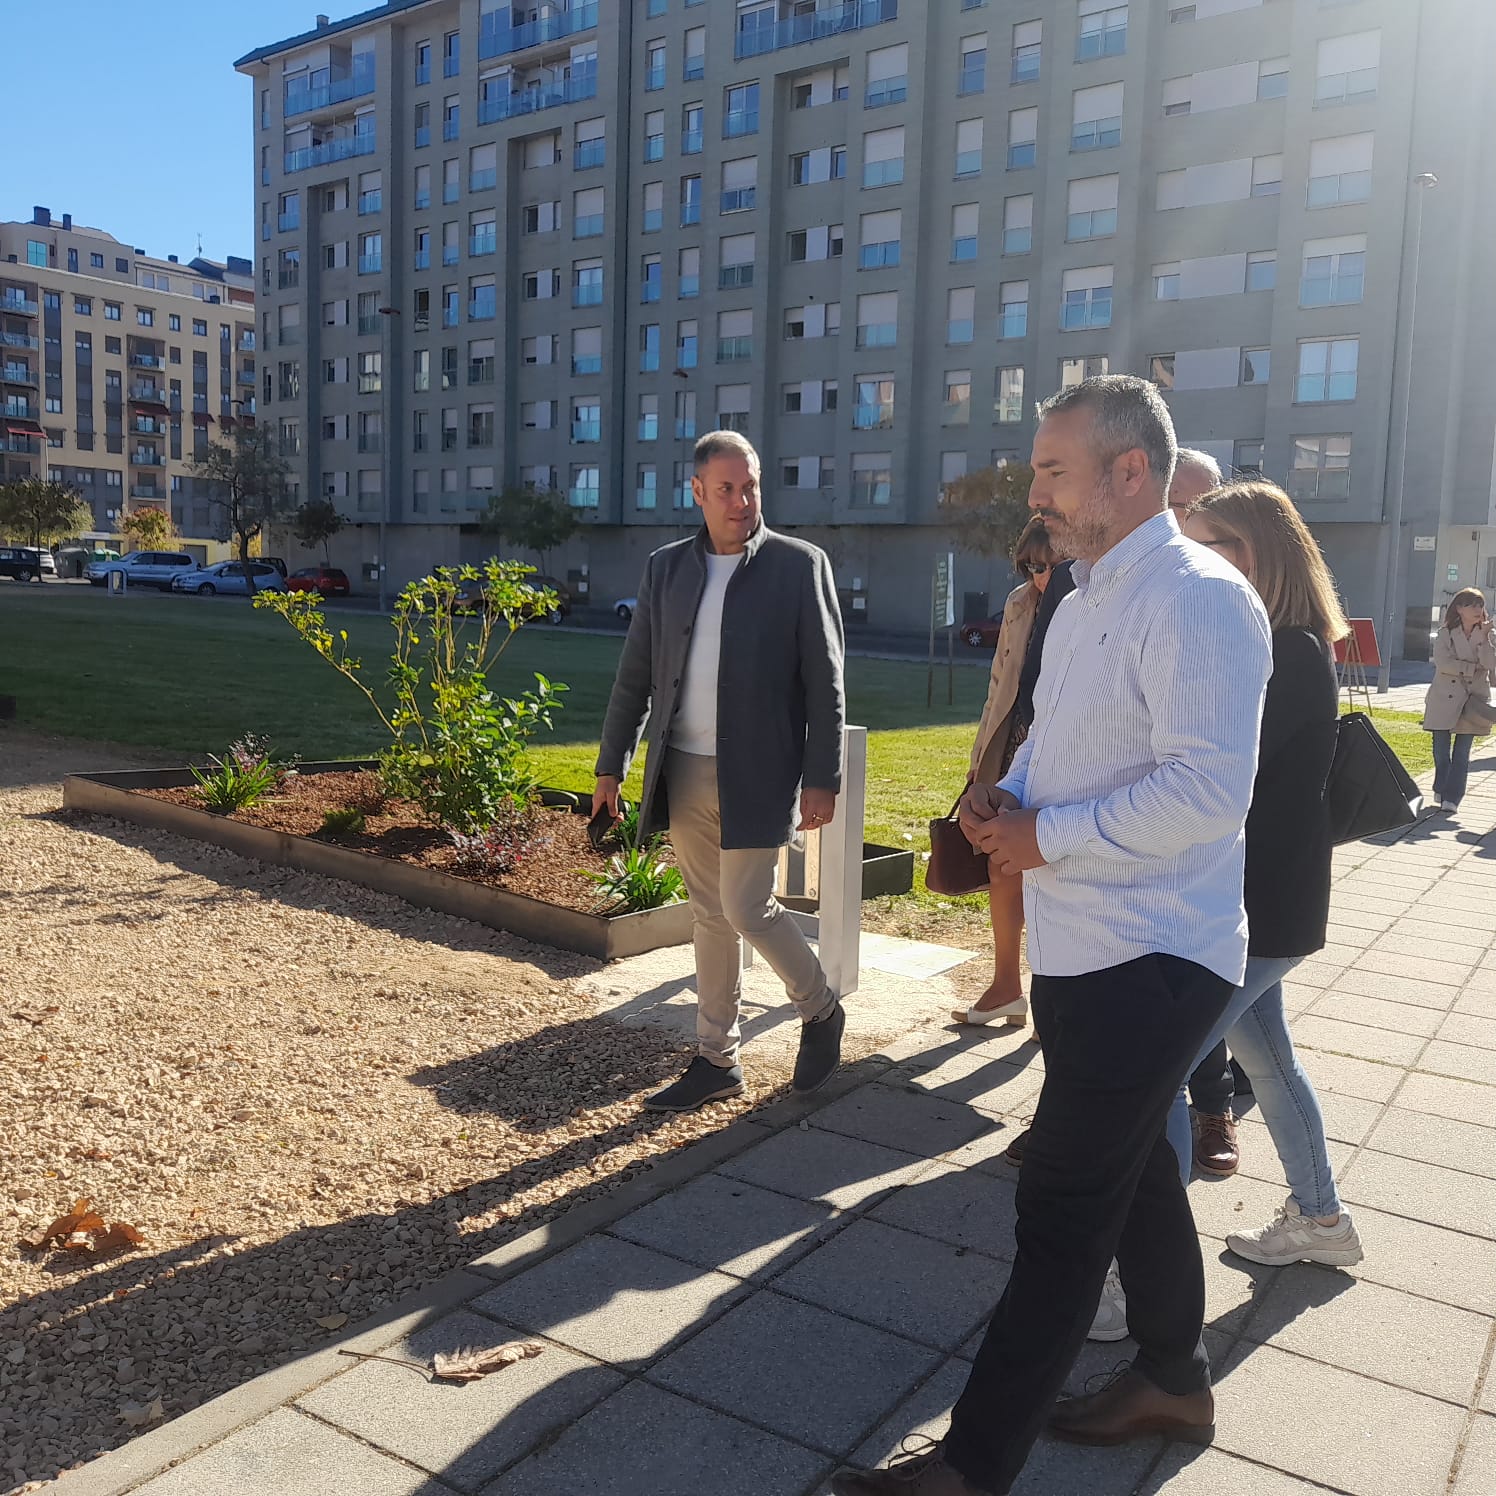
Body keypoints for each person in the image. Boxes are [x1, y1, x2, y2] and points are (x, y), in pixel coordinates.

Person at [832, 376, 1272, 1496]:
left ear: (1131, 473)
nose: (1031, 488)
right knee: (1133, 1184)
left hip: (1156, 958)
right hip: (1082, 954)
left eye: (1050, 469)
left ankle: (972, 1466)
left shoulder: (1197, 596)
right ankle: (1171, 1375)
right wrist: (1003, 799)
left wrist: (1047, 834)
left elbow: (1206, 793)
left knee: (1061, 1207)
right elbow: (1056, 741)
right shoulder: (1080, 599)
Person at [593, 430, 847, 1113]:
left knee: (747, 906)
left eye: (752, 485)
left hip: (760, 774)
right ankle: (717, 1059)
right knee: (708, 916)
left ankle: (820, 1008)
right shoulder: (666, 569)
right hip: (683, 770)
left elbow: (825, 682)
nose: (742, 500)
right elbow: (635, 677)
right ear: (698, 492)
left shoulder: (799, 565)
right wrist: (610, 766)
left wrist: (824, 775)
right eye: (727, 488)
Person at [1157, 482, 1365, 1267]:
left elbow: (1223, 783)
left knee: (1157, 1077)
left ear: (1260, 554)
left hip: (1258, 908)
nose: (1196, 560)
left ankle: (1139, 1269)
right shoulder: (1272, 641)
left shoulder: (1289, 650)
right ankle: (1322, 1221)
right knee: (1270, 1067)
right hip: (1258, 902)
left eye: (1212, 544)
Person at [954, 518, 1059, 1027]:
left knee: (1052, 869)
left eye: (1051, 564)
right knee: (1002, 864)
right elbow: (998, 686)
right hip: (1015, 745)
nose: (1041, 576)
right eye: (1032, 566)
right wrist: (980, 762)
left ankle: (1050, 998)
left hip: (1065, 754)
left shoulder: (1093, 602)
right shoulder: (1021, 604)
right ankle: (1005, 984)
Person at [1421, 587, 1495, 816]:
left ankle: (1453, 798)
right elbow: (1443, 663)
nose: (1477, 609)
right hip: (1444, 697)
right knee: (1441, 752)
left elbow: (1490, 664)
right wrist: (1471, 668)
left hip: (1473, 701)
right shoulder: (1446, 632)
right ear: (1459, 608)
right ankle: (1441, 787)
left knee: (1462, 754)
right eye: (1471, 604)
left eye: (1480, 604)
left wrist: (1484, 638)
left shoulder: (1487, 634)